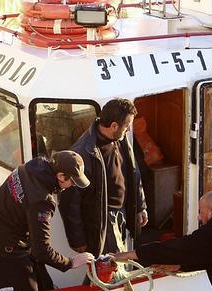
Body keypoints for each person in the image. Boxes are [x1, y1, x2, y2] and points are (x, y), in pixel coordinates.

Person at [0, 151, 95, 291]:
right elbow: (41, 251)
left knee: (45, 288)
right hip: (3, 251)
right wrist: (70, 263)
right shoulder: (42, 201)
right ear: (61, 176)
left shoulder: (31, 166)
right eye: (73, 181)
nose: (73, 186)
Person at [59, 98, 148, 257]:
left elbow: (133, 171)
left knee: (114, 264)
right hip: (104, 222)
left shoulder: (119, 138)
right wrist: (77, 239)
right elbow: (69, 202)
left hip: (121, 213)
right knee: (112, 269)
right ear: (114, 125)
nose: (128, 130)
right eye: (127, 126)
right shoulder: (83, 154)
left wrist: (140, 205)